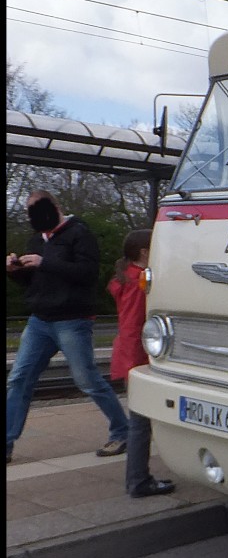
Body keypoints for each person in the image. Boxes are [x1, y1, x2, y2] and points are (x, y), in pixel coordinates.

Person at [6, 190, 129, 464]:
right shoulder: (37, 239)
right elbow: (35, 283)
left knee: (87, 381)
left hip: (72, 319)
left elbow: (87, 274)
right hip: (40, 320)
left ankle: (122, 431)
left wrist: (44, 262)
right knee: (18, 378)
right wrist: (15, 273)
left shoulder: (79, 234)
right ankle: (7, 443)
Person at [108, 228, 175, 498]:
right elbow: (137, 325)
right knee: (140, 424)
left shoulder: (126, 279)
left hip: (126, 354)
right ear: (145, 253)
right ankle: (138, 481)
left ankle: (137, 480)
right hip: (136, 358)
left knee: (140, 422)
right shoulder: (139, 284)